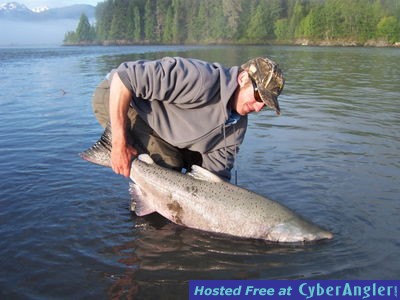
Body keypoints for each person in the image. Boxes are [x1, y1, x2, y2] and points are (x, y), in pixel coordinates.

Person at [92, 56, 284, 181]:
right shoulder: (200, 79)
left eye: (265, 104)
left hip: (162, 121)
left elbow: (214, 177)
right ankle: (148, 221)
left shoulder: (237, 127)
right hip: (117, 97)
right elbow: (123, 79)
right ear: (242, 79)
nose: (259, 108)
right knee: (170, 164)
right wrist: (118, 143)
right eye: (259, 97)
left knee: (191, 164)